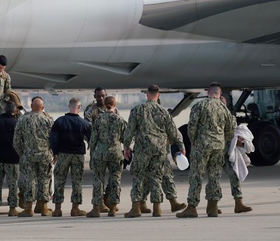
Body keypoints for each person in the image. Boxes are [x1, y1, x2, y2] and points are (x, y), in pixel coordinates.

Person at [124, 85, 186, 218]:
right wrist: (181, 146)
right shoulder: (164, 112)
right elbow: (173, 132)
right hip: (160, 149)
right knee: (157, 178)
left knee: (138, 177)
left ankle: (136, 208)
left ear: (147, 94)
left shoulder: (137, 110)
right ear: (158, 95)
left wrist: (126, 147)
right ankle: (157, 209)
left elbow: (129, 131)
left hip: (142, 149)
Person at [177, 82, 235, 218]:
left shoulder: (200, 105)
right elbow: (231, 130)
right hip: (218, 146)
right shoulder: (224, 109)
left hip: (202, 145)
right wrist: (222, 139)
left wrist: (194, 141)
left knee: (196, 175)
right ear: (219, 94)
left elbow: (191, 127)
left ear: (208, 92)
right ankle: (213, 207)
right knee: (215, 176)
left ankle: (192, 207)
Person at [13, 96, 54, 217]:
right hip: (45, 154)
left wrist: (22, 153)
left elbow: (16, 140)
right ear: (43, 107)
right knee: (45, 180)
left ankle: (29, 208)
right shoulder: (48, 120)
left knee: (30, 180)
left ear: (31, 106)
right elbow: (54, 138)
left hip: (28, 155)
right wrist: (51, 151)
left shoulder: (23, 119)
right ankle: (44, 208)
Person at [50, 97, 91, 217]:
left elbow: (53, 138)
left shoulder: (59, 122)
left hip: (63, 154)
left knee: (59, 180)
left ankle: (57, 208)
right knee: (77, 181)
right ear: (79, 107)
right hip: (78, 154)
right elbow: (91, 139)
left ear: (69, 106)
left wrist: (55, 152)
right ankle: (75, 208)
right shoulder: (84, 123)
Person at [87, 96, 126, 217]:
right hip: (115, 152)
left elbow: (93, 139)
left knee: (98, 179)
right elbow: (126, 138)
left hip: (100, 152)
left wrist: (92, 153)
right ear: (115, 105)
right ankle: (113, 208)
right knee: (115, 179)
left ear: (104, 104)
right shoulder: (120, 120)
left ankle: (96, 208)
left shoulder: (98, 119)